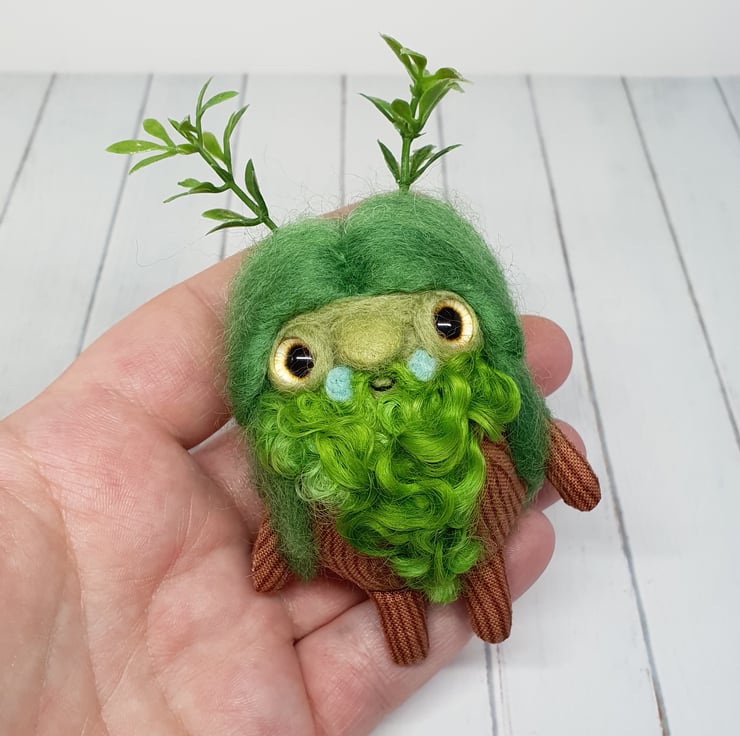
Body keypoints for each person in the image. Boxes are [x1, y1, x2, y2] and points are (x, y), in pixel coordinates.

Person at [0, 246, 585, 735]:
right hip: (369, 560)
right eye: (301, 359)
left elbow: (528, 428)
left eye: (445, 324)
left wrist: (556, 459)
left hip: (479, 526)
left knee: (483, 566)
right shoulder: (302, 463)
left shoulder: (489, 408)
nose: (377, 368)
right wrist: (282, 544)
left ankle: (480, 582)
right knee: (400, 603)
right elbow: (286, 511)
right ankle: (409, 600)